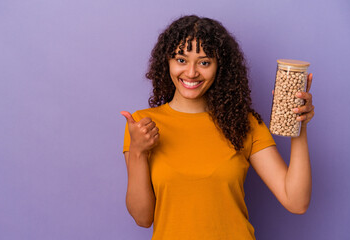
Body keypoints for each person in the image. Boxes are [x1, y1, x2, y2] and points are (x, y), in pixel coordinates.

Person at [121, 15, 314, 240]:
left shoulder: (243, 123)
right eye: (181, 60)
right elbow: (142, 218)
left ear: (219, 66)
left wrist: (299, 125)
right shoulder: (143, 125)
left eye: (204, 62)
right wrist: (137, 151)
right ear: (167, 61)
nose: (191, 72)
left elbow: (296, 202)